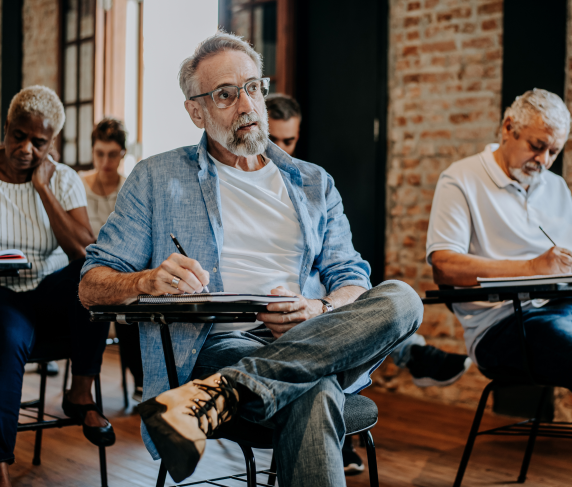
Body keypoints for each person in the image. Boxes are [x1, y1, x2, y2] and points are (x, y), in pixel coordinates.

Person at [78, 32, 424, 486]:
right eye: (225, 94)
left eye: (253, 87)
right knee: (314, 388)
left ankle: (224, 393)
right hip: (220, 346)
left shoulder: (313, 183)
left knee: (403, 299)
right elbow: (90, 285)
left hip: (319, 333)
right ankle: (230, 383)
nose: (245, 105)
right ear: (195, 111)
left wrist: (319, 309)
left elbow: (351, 276)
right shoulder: (157, 178)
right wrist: (145, 281)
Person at [267, 92, 472, 475]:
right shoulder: (247, 192)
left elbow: (347, 268)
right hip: (274, 311)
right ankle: (411, 355)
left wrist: (333, 299)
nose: (281, 150)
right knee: (334, 326)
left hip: (318, 305)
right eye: (272, 139)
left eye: (288, 141)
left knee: (391, 297)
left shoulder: (315, 186)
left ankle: (407, 354)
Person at [0, 86, 114, 487]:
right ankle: (0, 460)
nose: (26, 148)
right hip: (4, 298)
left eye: (38, 141)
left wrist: (43, 189)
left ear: (52, 144)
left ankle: (80, 392)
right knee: (8, 339)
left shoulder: (62, 180)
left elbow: (84, 249)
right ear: (6, 127)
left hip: (49, 292)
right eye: (19, 135)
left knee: (95, 277)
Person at [426, 88, 572, 388]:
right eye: (537, 145)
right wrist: (533, 268)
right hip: (501, 324)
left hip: (563, 308)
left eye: (554, 152)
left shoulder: (557, 188)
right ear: (508, 128)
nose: (543, 160)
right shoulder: (461, 179)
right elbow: (444, 267)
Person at [80, 118, 144, 402]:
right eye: (100, 153)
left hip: (121, 266)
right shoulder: (78, 184)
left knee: (128, 300)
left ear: (122, 154)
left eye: (112, 154)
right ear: (93, 152)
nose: (106, 161)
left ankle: (142, 380)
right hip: (82, 262)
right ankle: (82, 381)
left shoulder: (131, 188)